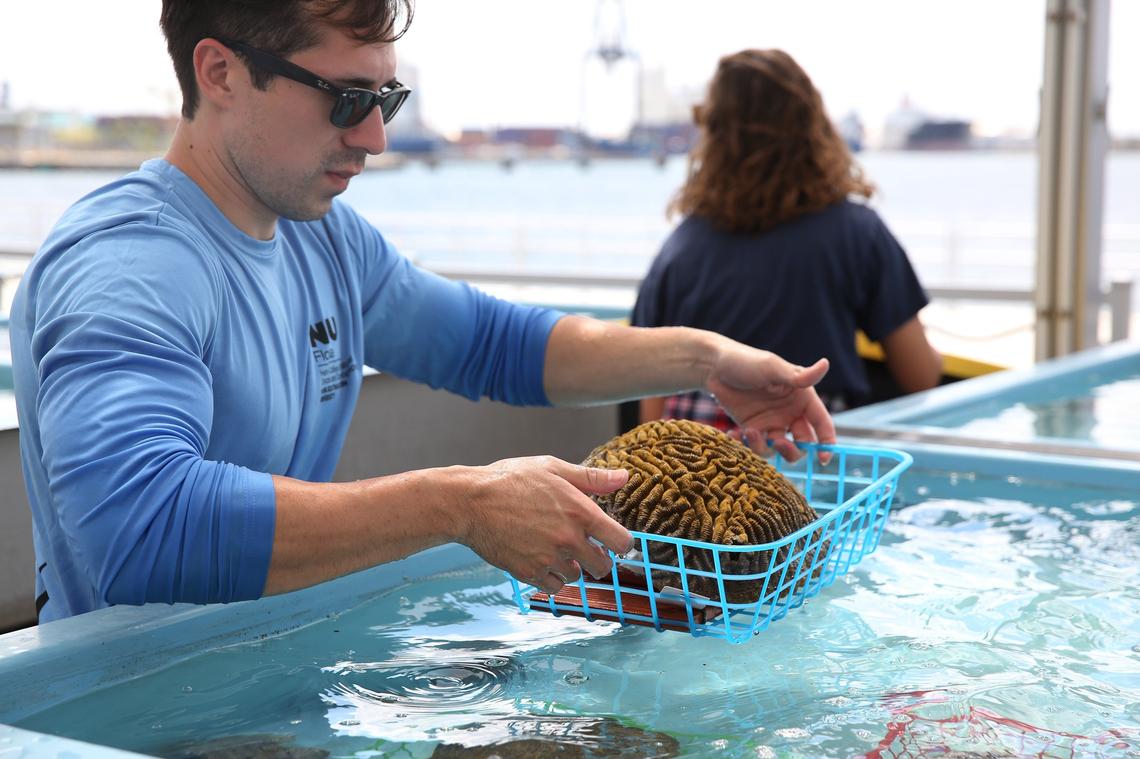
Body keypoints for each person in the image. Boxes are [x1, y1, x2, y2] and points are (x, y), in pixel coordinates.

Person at [9, 2, 836, 624]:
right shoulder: (128, 265)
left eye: (387, 98)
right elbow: (138, 533)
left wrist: (703, 357)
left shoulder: (324, 241)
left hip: (276, 672)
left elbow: (492, 344)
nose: (374, 137)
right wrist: (460, 502)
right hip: (136, 709)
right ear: (220, 73)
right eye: (344, 99)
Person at [633, 49, 942, 430]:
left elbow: (650, 408)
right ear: (814, 125)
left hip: (690, 470)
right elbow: (921, 376)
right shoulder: (857, 234)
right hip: (811, 458)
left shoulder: (679, 249)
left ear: (713, 134)